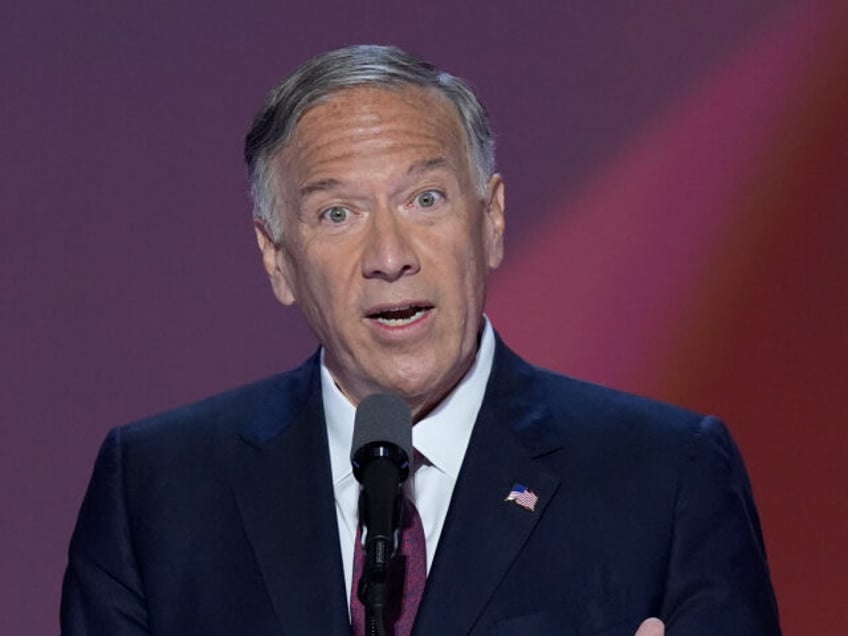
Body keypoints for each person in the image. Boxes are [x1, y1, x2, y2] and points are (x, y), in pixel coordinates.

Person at [61, 45, 781, 635]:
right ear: (278, 261)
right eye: (337, 213)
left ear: (491, 219)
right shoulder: (158, 492)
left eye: (424, 200)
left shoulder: (666, 477)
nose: (389, 253)